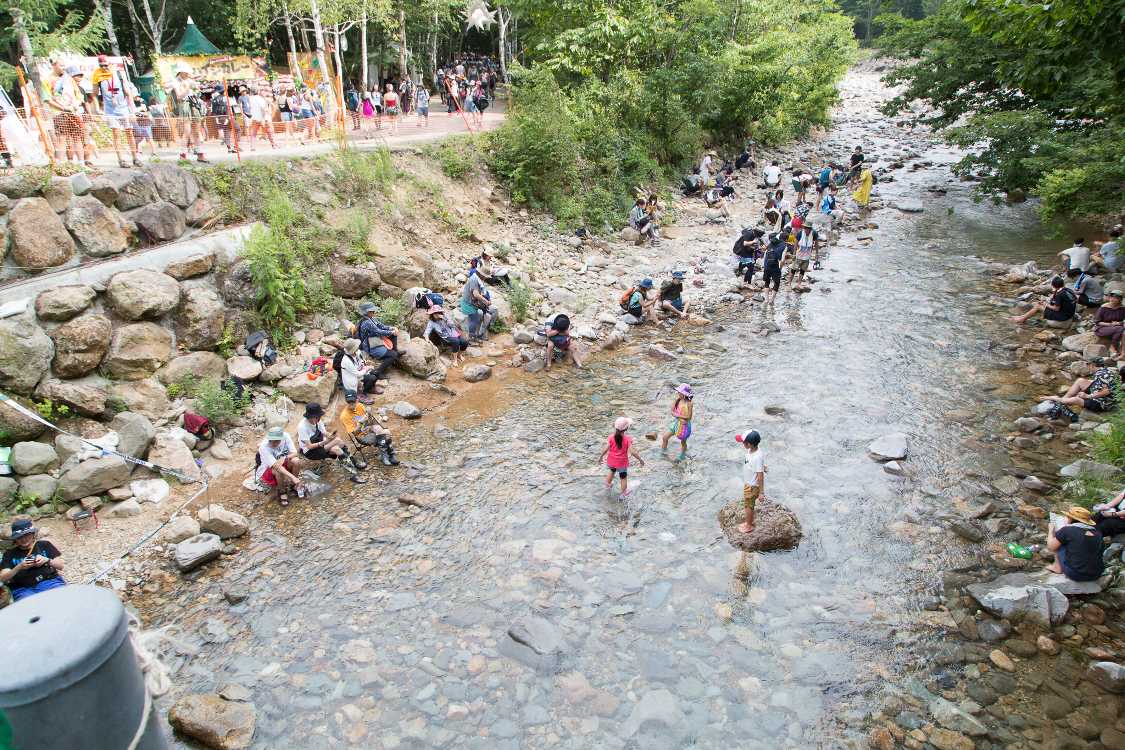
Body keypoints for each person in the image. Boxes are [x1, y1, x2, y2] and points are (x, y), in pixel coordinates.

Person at [297, 402, 365, 483]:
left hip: (320, 444)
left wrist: (331, 436)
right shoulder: (302, 427)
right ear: (312, 416)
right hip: (310, 452)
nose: (320, 418)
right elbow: (309, 446)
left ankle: (353, 462)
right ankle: (352, 474)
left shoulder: (318, 421)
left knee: (339, 442)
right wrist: (326, 441)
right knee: (337, 449)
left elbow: (324, 432)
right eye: (318, 416)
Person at [93, 55, 141, 167]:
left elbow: (127, 92)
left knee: (129, 132)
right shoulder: (97, 75)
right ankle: (121, 160)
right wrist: (97, 108)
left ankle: (135, 158)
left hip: (123, 108)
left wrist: (132, 111)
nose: (104, 68)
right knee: (116, 133)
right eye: (101, 66)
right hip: (110, 110)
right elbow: (94, 94)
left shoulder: (119, 73)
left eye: (106, 65)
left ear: (110, 64)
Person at [0, 519, 65, 601]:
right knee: (29, 604)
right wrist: (19, 567)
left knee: (61, 598)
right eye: (19, 537)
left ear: (33, 533)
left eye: (26, 535)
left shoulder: (44, 545)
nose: (24, 539)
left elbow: (60, 566)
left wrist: (47, 560)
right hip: (22, 589)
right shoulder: (9, 554)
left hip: (49, 581)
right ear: (15, 539)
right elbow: (2, 578)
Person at [338, 392, 399, 466]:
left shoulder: (360, 406)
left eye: (353, 401)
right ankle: (389, 455)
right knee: (385, 434)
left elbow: (370, 422)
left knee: (384, 431)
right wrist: (361, 423)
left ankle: (386, 456)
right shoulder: (344, 416)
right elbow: (354, 433)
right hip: (361, 436)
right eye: (349, 402)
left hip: (369, 429)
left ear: (357, 400)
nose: (351, 404)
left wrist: (369, 415)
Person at [1045, 506, 1104, 581]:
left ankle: (1057, 567)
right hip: (1097, 574)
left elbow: (1051, 547)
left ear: (1070, 518)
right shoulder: (1098, 533)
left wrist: (1051, 530)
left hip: (1076, 574)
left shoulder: (1067, 530)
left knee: (1059, 542)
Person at [1037, 365, 1124, 414]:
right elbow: (1106, 386)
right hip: (1100, 394)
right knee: (1080, 381)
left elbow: (1106, 391)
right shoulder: (1119, 380)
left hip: (1102, 403)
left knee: (1076, 399)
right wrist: (1095, 383)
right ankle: (1063, 400)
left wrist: (1088, 396)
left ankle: (1055, 398)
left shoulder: (1122, 385)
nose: (1119, 376)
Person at [47, 62, 88, 165]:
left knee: (77, 137)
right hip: (59, 113)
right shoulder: (48, 80)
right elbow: (48, 99)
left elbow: (79, 96)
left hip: (74, 112)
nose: (63, 67)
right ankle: (60, 164)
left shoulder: (70, 80)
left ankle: (81, 163)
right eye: (61, 65)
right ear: (54, 65)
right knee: (62, 138)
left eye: (63, 65)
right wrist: (63, 108)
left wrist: (75, 105)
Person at [356, 302, 400, 391]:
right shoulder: (366, 322)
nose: (373, 312)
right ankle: (378, 372)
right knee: (393, 355)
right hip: (370, 345)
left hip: (375, 339)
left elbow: (381, 326)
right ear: (366, 312)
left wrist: (392, 328)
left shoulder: (372, 319)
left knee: (393, 336)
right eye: (371, 311)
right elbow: (378, 331)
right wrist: (392, 332)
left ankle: (395, 350)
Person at [166, 62, 206, 162]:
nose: (188, 74)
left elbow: (200, 80)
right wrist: (188, 88)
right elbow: (179, 96)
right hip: (184, 105)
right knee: (187, 132)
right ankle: (182, 155)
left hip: (194, 104)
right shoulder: (176, 81)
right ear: (181, 72)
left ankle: (200, 154)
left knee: (196, 131)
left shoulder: (189, 80)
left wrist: (194, 81)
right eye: (186, 72)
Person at [256, 426, 305, 506]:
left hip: (282, 462)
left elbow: (295, 453)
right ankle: (282, 491)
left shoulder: (285, 436)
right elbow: (276, 466)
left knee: (296, 461)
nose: (273, 443)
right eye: (271, 441)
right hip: (268, 470)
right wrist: (293, 477)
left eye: (276, 441)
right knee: (278, 471)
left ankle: (293, 485)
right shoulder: (264, 447)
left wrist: (285, 458)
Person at [599, 416, 645, 497]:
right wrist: (640, 460)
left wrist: (601, 457)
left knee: (612, 471)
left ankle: (607, 485)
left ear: (615, 427)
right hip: (621, 463)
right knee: (623, 477)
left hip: (611, 461)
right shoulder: (627, 439)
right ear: (626, 428)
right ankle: (623, 493)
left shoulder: (611, 437)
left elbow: (605, 449)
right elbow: (633, 452)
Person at [1009, 275, 1076, 325]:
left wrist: (1045, 304)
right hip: (1069, 313)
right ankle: (1022, 316)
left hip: (1063, 316)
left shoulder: (1060, 294)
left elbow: (1056, 309)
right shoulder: (1068, 290)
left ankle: (1022, 319)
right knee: (1039, 304)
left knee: (1038, 306)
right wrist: (1046, 302)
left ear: (1053, 286)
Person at [736, 429, 764, 533]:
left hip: (752, 486)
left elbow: (760, 476)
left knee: (748, 505)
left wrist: (761, 492)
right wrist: (762, 466)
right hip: (748, 482)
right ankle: (749, 522)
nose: (742, 443)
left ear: (750, 444)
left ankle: (749, 525)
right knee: (748, 504)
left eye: (744, 442)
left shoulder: (757, 457)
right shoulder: (752, 450)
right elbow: (757, 465)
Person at [338, 338, 378, 403]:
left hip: (359, 372)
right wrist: (367, 368)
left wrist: (365, 363)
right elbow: (357, 374)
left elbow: (360, 361)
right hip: (352, 378)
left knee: (375, 374)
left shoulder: (357, 352)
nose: (358, 346)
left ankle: (370, 388)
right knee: (371, 377)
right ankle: (360, 394)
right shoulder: (346, 361)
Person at [660, 384, 694, 457]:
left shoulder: (689, 404)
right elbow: (672, 412)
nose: (678, 393)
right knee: (665, 438)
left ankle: (682, 455)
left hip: (685, 426)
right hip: (676, 423)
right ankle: (663, 453)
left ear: (684, 394)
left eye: (680, 392)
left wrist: (678, 416)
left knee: (683, 442)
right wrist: (680, 418)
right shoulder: (677, 400)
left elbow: (689, 417)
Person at [460, 271, 494, 340]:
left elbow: (484, 292)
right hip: (468, 304)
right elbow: (476, 294)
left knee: (481, 316)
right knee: (474, 319)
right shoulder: (474, 280)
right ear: (482, 275)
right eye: (485, 276)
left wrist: (487, 300)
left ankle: (478, 334)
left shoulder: (477, 279)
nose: (485, 278)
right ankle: (471, 337)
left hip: (473, 303)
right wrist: (486, 301)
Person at [1093, 288, 1125, 358]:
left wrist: (1119, 323)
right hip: (1102, 327)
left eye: (1116, 298)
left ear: (1120, 299)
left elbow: (1123, 320)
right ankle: (1113, 347)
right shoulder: (1103, 308)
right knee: (1120, 329)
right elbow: (1097, 322)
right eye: (1112, 297)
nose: (1112, 299)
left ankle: (1121, 352)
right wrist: (1110, 324)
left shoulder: (1122, 308)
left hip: (1117, 327)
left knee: (1121, 329)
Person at [762, 233, 787, 305]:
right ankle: (772, 300)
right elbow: (782, 260)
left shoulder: (769, 244)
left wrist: (764, 266)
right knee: (777, 282)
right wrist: (780, 268)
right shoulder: (784, 246)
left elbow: (765, 256)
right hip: (776, 266)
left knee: (767, 282)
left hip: (767, 265)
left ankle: (766, 300)